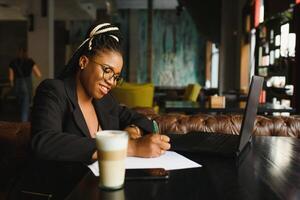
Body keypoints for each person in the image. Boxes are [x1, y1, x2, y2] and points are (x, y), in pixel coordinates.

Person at [30, 23, 171, 164]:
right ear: (84, 62)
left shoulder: (105, 102)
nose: (112, 82)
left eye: (116, 77)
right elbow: (44, 141)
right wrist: (130, 147)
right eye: (107, 70)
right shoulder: (54, 91)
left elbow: (141, 119)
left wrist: (133, 131)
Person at [8, 47, 42, 122]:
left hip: (17, 85)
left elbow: (11, 78)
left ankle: (22, 121)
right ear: (26, 53)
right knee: (25, 106)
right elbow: (39, 74)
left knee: (21, 105)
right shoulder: (30, 61)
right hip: (27, 84)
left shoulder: (13, 62)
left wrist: (12, 85)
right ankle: (23, 124)